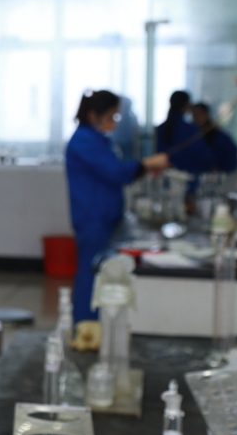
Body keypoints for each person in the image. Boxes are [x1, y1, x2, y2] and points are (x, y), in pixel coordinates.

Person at [66, 90, 169, 324]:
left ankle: (95, 324)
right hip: (93, 218)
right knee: (91, 275)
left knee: (99, 273)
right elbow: (115, 173)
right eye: (111, 117)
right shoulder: (84, 140)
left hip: (103, 218)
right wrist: (146, 164)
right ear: (93, 115)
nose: (114, 123)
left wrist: (143, 168)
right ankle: (85, 326)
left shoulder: (98, 139)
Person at [154, 90, 215, 177]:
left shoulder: (159, 129)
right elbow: (205, 158)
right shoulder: (190, 130)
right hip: (187, 179)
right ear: (187, 106)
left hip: (164, 177)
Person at [192, 102, 237, 174]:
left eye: (199, 113)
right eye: (194, 114)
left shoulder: (218, 136)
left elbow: (232, 155)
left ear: (206, 114)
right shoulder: (191, 135)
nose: (196, 117)